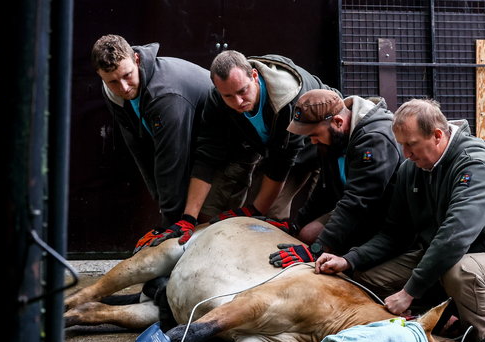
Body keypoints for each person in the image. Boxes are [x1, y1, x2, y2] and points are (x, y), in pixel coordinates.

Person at [315, 99, 485, 342]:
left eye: (410, 144)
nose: (405, 153)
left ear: (437, 135)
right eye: (401, 144)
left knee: (459, 271)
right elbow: (394, 233)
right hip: (447, 257)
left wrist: (409, 291)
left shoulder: (473, 167)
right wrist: (349, 259)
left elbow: (453, 238)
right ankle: (455, 314)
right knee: (368, 276)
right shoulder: (411, 169)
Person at [137, 50, 341, 250]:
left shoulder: (288, 99)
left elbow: (281, 163)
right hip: (257, 142)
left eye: (242, 91)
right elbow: (207, 155)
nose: (238, 102)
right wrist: (188, 218)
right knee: (208, 212)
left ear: (254, 75)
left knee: (269, 217)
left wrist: (255, 210)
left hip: (313, 145)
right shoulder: (217, 100)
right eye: (228, 96)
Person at [91, 35, 213, 253]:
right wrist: (161, 202)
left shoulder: (165, 94)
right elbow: (138, 147)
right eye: (113, 82)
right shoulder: (113, 92)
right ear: (101, 77)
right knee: (179, 210)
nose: (124, 87)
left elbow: (171, 159)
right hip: (191, 143)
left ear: (136, 59)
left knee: (207, 217)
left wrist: (168, 223)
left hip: (226, 145)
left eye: (127, 75)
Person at [267, 89, 403, 267]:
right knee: (306, 234)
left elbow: (358, 201)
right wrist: (295, 226)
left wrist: (319, 249)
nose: (313, 142)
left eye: (315, 135)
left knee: (322, 249)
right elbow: (324, 190)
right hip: (356, 207)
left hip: (385, 217)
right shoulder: (334, 138)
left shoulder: (375, 139)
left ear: (338, 122)